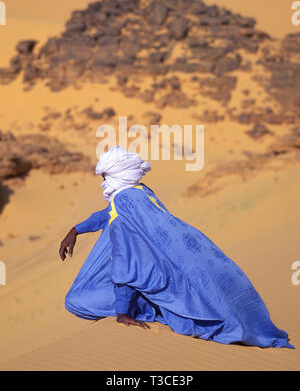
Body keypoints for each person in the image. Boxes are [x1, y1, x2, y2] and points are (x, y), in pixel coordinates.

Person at [60, 145, 294, 348]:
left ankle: (146, 306)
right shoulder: (141, 193)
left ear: (114, 177)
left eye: (104, 178)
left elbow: (126, 264)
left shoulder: (122, 204)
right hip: (164, 275)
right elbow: (108, 215)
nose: (103, 184)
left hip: (144, 286)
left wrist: (122, 312)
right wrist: (77, 229)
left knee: (75, 302)